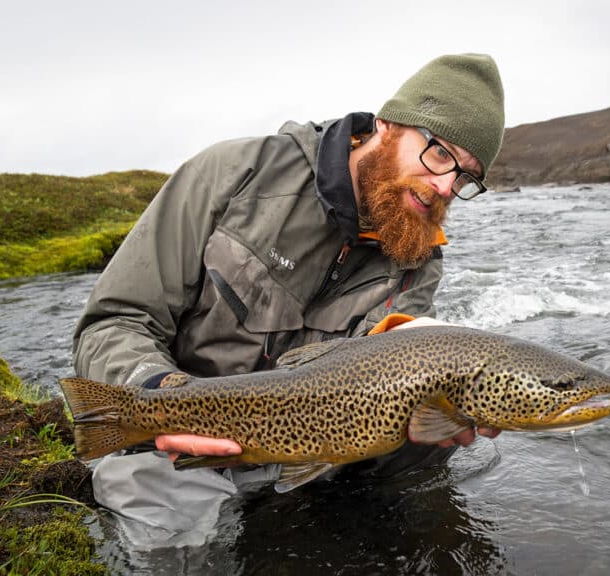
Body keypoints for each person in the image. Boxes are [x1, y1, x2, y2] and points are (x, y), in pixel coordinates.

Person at [72, 53, 506, 546]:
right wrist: (155, 390)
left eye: (466, 178)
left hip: (312, 454)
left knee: (432, 443)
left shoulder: (419, 257)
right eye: (440, 154)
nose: (446, 186)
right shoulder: (234, 174)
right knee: (160, 515)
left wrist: (425, 377)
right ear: (387, 125)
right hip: (181, 437)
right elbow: (114, 320)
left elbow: (382, 382)